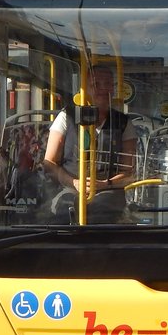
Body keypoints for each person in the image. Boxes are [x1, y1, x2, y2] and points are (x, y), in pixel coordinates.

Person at [42, 66, 137, 222]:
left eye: (108, 84)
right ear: (84, 89)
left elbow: (129, 173)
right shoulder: (67, 117)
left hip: (109, 190)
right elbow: (49, 163)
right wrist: (73, 182)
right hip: (69, 187)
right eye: (96, 84)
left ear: (113, 90)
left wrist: (104, 184)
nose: (103, 89)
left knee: (102, 209)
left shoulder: (124, 123)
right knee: (65, 208)